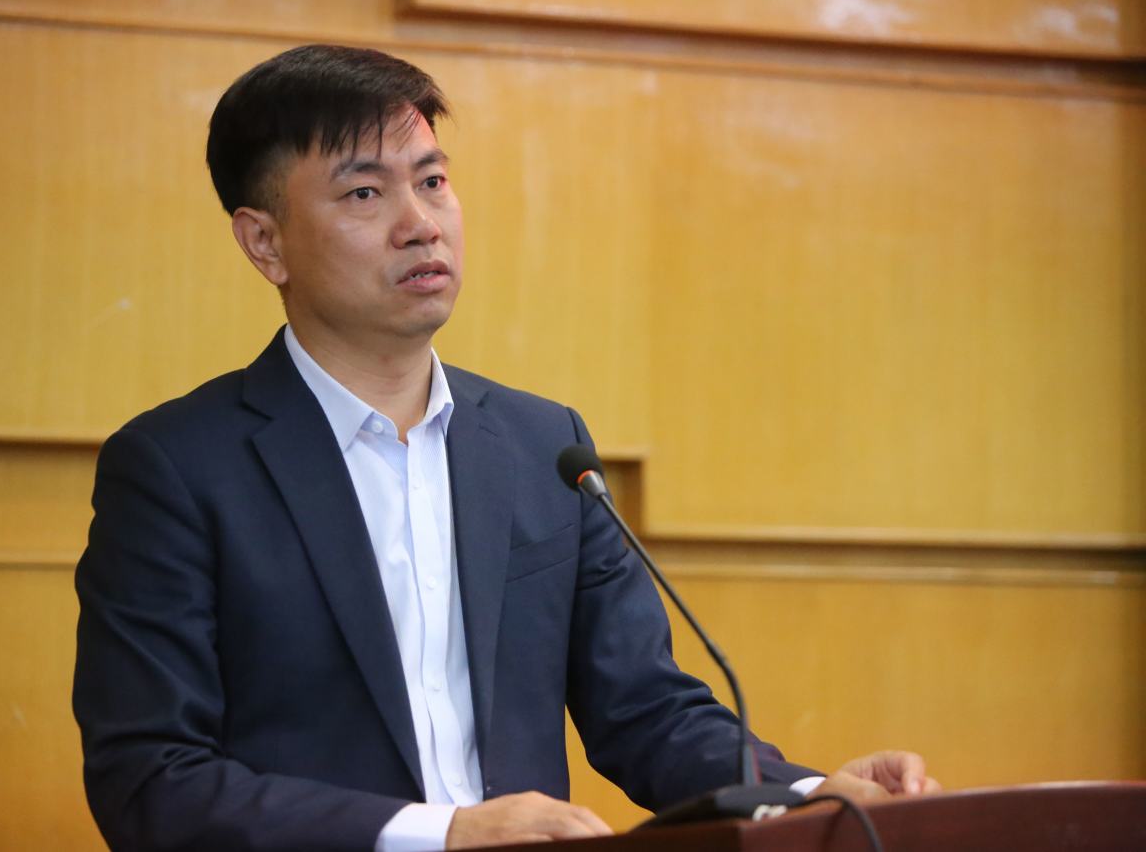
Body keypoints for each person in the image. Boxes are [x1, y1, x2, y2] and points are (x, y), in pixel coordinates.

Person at [72, 44, 939, 852]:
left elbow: (646, 711)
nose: (420, 224)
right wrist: (441, 833)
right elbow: (151, 778)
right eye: (365, 194)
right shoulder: (178, 469)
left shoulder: (544, 448)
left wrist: (814, 791)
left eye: (433, 181)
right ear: (265, 241)